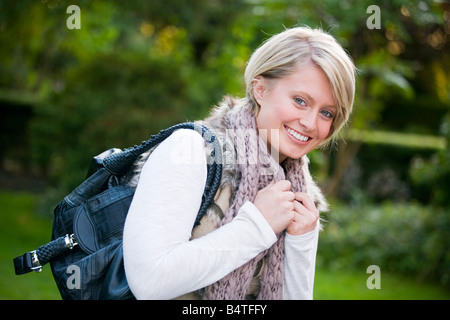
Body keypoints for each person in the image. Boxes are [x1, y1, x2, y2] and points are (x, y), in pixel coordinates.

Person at [122, 26, 356, 300]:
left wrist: (302, 240)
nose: (310, 123)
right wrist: (257, 226)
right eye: (300, 100)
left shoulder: (299, 193)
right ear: (260, 89)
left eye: (326, 113)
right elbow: (149, 282)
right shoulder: (191, 151)